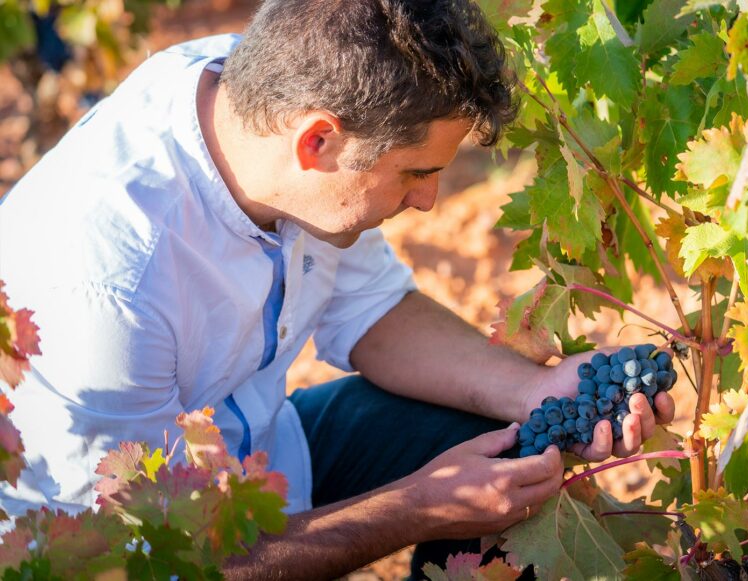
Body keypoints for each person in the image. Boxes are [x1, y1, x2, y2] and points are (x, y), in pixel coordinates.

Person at [0, 0, 675, 577]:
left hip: (264, 459)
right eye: (414, 172)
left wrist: (535, 389)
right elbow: (155, 563)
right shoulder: (108, 287)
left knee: (507, 443)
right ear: (316, 141)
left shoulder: (265, 101)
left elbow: (374, 308)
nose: (430, 200)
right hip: (137, 552)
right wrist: (416, 505)